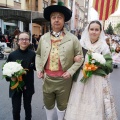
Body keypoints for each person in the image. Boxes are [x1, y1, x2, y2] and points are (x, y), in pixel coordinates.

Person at [35, 1, 84, 120]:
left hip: (64, 80)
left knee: (62, 105)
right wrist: (39, 69)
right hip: (47, 79)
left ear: (64, 21)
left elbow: (80, 57)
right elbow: (38, 55)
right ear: (50, 20)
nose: (56, 20)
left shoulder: (73, 39)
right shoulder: (43, 38)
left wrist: (71, 71)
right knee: (48, 103)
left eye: (59, 17)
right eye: (54, 17)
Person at [64, 20, 117, 120]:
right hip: (81, 76)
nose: (94, 32)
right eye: (92, 29)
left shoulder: (104, 46)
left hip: (96, 79)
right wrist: (74, 58)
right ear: (88, 30)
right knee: (79, 101)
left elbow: (109, 65)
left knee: (94, 102)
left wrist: (98, 65)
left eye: (97, 30)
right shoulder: (81, 44)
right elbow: (72, 57)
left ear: (100, 31)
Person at [5, 32, 36, 120]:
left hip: (28, 84)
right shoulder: (12, 55)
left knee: (27, 107)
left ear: (29, 41)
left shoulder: (32, 54)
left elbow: (37, 67)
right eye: (22, 39)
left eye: (26, 39)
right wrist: (10, 77)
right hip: (15, 85)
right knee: (16, 108)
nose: (24, 41)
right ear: (18, 41)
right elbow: (6, 70)